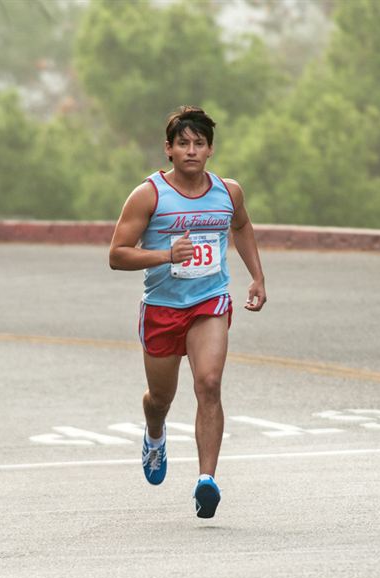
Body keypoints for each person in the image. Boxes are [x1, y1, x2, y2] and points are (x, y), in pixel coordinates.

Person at [108, 106, 267, 519]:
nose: (191, 150)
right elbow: (117, 255)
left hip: (209, 301)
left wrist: (257, 277)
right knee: (161, 397)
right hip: (162, 308)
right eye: (183, 143)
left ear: (210, 149)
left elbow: (243, 226)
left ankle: (206, 481)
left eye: (199, 143)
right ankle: (155, 435)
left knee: (209, 383)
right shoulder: (149, 195)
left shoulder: (228, 192)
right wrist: (165, 254)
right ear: (169, 150)